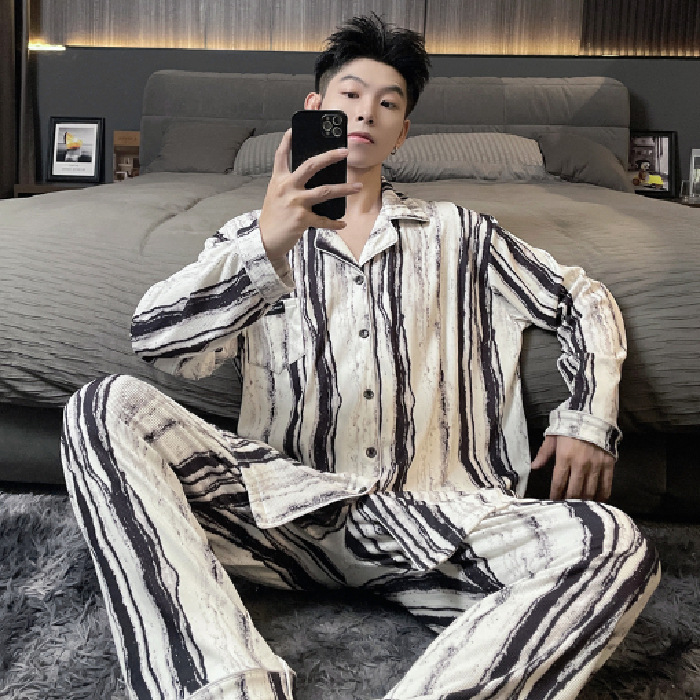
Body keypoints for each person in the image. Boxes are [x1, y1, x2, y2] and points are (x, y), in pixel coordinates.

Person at [61, 14, 660, 700]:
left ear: (402, 133)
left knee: (613, 542)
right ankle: (225, 689)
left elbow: (580, 297)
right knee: (102, 408)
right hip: (285, 519)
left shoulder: (462, 233)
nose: (366, 112)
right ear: (314, 109)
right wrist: (268, 244)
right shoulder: (248, 239)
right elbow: (159, 343)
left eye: (388, 103)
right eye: (349, 95)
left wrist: (587, 419)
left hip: (439, 525)